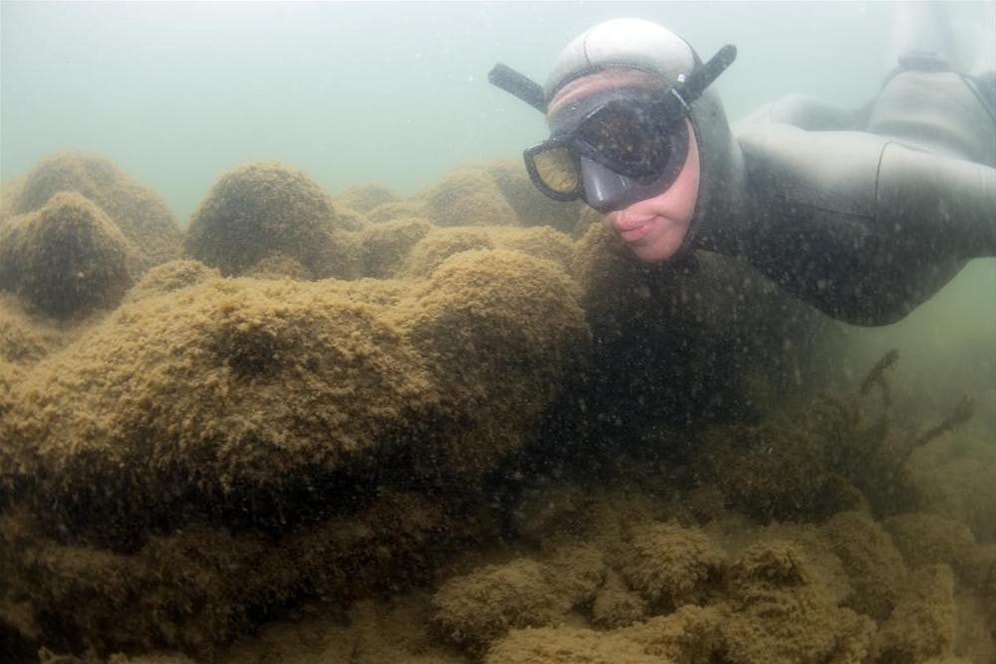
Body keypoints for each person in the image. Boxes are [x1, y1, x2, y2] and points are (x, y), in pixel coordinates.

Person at [488, 9, 995, 326]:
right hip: (898, 91)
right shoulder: (729, 155)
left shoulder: (877, 190)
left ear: (700, 119)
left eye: (630, 145)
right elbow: (787, 112)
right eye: (576, 159)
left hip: (978, 105)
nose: (600, 199)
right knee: (912, 58)